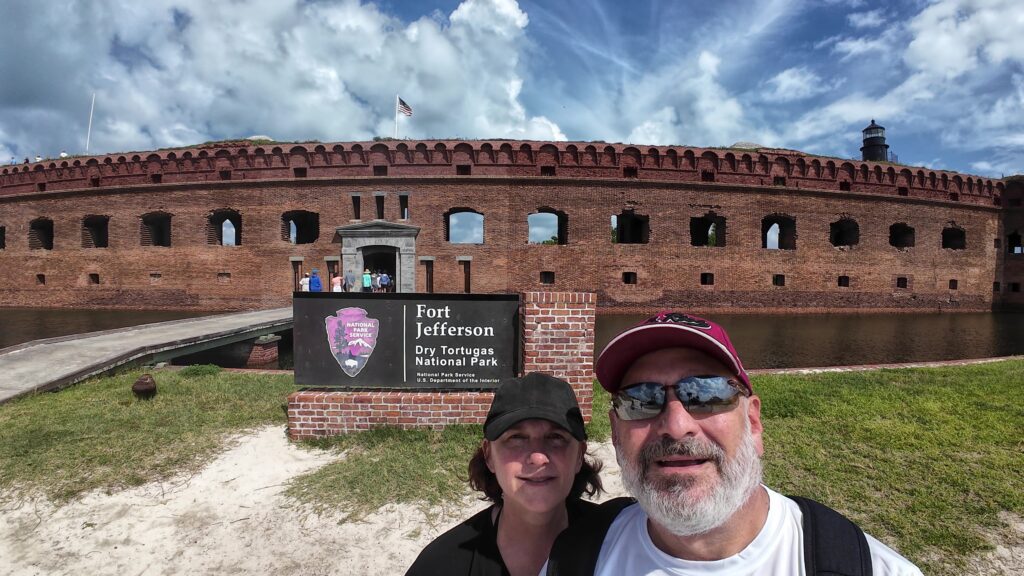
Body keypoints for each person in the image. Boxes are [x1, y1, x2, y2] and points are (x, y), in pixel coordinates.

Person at [545, 311, 922, 576]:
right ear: (614, 433)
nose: (676, 427)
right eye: (641, 400)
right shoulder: (575, 558)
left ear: (753, 423)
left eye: (706, 394)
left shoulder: (863, 567)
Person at [406, 372, 603, 576]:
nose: (538, 457)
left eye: (556, 437)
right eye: (516, 437)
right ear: (489, 455)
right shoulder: (441, 566)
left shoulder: (614, 543)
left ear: (579, 455)